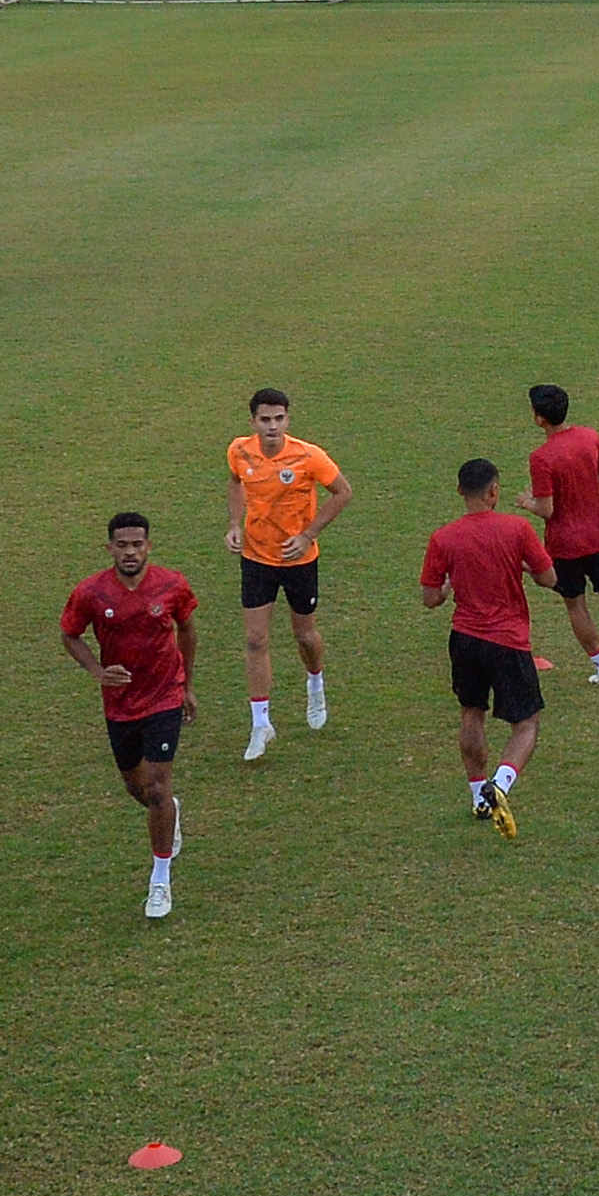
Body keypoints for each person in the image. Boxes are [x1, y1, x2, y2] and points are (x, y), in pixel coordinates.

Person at [60, 512, 199, 921]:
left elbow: (188, 630)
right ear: (110, 550)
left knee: (155, 788)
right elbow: (69, 633)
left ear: (149, 547)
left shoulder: (172, 585)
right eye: (122, 545)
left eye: (137, 544)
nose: (130, 551)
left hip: (164, 697)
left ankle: (160, 880)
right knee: (137, 788)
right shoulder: (92, 593)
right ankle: (169, 810)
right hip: (120, 705)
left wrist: (187, 686)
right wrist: (97, 672)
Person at [419, 458, 555, 838]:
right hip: (508, 641)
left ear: (460, 491)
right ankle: (501, 785)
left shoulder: (443, 538)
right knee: (525, 724)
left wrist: (449, 585)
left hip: (465, 639)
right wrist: (524, 567)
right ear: (494, 491)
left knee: (471, 712)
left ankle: (479, 794)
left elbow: (431, 598)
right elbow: (549, 577)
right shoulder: (517, 528)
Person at [221, 386, 351, 761]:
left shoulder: (309, 456)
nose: (272, 426)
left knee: (305, 636)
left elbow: (342, 492)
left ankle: (315, 684)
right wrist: (234, 524)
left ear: (288, 420)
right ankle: (261, 724)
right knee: (256, 640)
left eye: (279, 419)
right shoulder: (240, 451)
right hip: (257, 559)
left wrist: (308, 535)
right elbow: (235, 481)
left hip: (298, 560)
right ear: (253, 422)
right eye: (265, 420)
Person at [523, 384, 599, 686]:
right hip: (597, 536)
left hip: (565, 545)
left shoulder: (541, 457)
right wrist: (584, 492)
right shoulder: (589, 437)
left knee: (575, 604)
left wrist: (527, 503)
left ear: (539, 419)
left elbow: (548, 509)